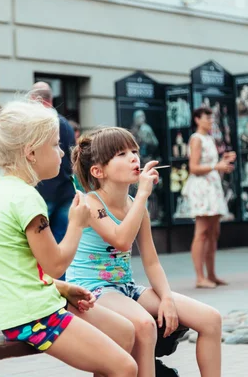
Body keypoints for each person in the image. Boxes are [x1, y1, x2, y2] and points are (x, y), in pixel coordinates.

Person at [0, 99, 138, 377]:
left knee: (123, 332)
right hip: (31, 316)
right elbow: (55, 264)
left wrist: (62, 288)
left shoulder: (3, 191)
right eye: (54, 144)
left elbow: (16, 267)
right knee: (125, 367)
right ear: (31, 152)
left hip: (27, 305)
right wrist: (77, 224)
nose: (61, 152)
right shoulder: (26, 199)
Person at [67, 126, 222, 377]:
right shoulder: (90, 203)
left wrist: (168, 299)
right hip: (91, 290)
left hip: (125, 288)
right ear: (98, 171)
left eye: (134, 151)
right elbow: (121, 241)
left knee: (210, 319)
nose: (133, 158)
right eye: (121, 154)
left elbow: (151, 262)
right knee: (144, 324)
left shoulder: (134, 204)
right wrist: (142, 194)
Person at [181, 107, 235, 289]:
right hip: (202, 188)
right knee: (202, 232)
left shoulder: (208, 138)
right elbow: (194, 167)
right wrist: (217, 166)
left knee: (213, 232)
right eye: (207, 117)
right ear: (197, 119)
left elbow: (210, 163)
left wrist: (222, 161)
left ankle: (211, 274)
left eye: (211, 117)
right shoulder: (196, 139)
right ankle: (200, 277)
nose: (210, 120)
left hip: (212, 187)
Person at [30, 82, 77, 280]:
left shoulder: (37, 124)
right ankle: (62, 288)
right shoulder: (65, 123)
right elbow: (73, 158)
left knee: (37, 247)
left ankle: (44, 287)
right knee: (60, 246)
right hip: (66, 191)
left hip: (43, 192)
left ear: (35, 100)